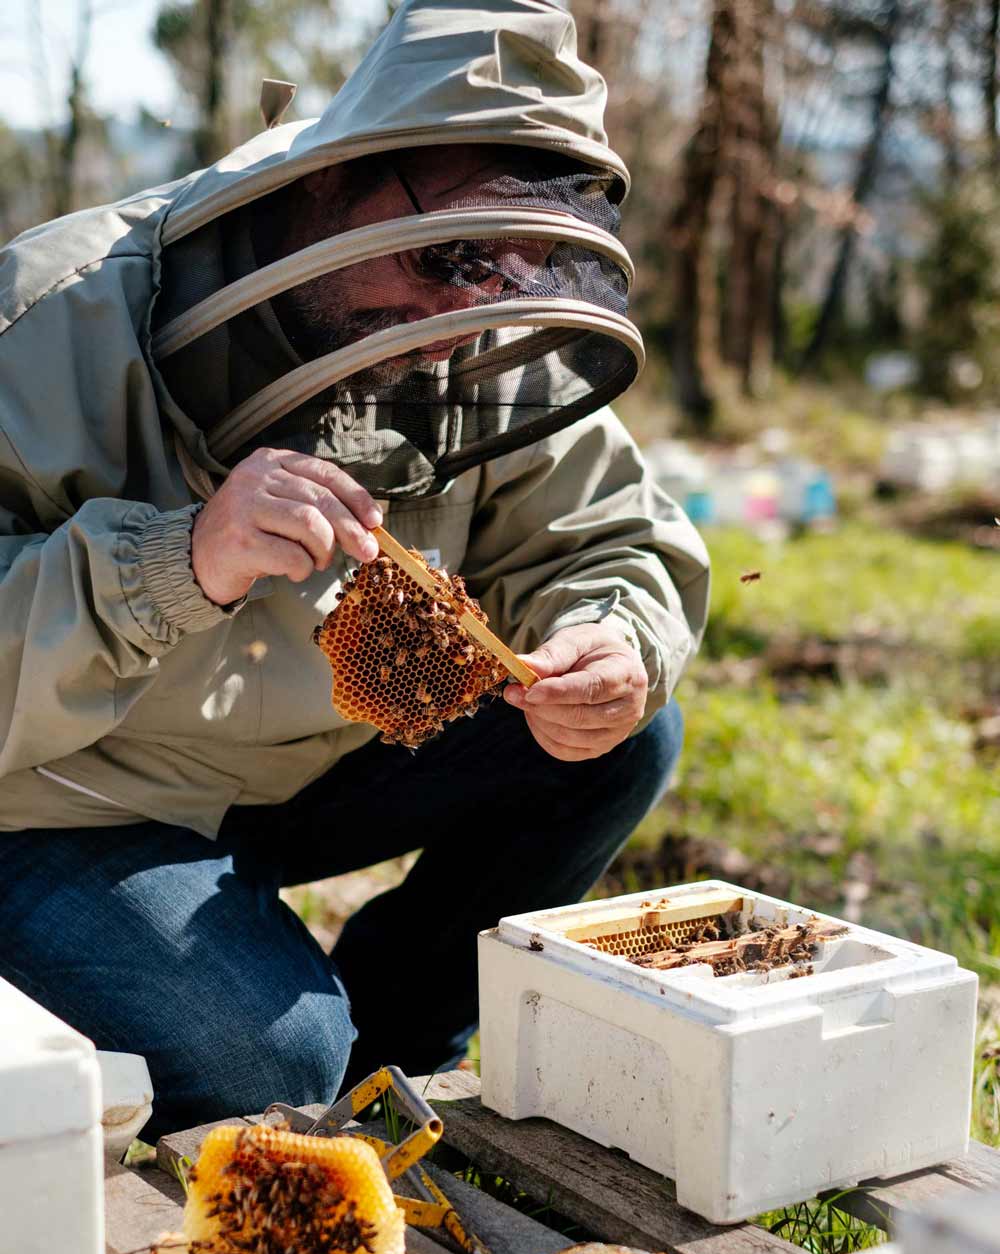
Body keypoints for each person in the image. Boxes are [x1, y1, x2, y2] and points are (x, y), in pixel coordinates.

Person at [0, 0, 709, 1138]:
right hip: (61, 801)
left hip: (298, 778)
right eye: (453, 255)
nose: (469, 310)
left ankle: (391, 1060)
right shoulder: (42, 322)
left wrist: (613, 639)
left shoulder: (477, 329)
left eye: (519, 263)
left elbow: (611, 535)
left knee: (625, 733)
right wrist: (171, 564)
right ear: (333, 179)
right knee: (261, 1061)